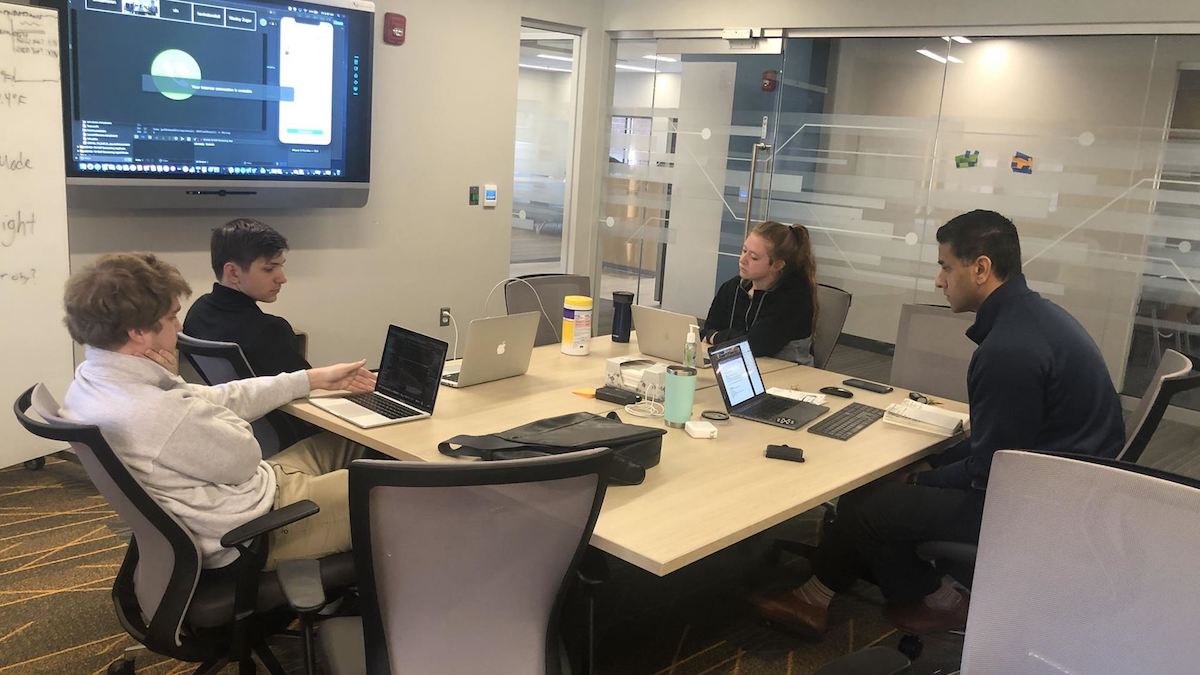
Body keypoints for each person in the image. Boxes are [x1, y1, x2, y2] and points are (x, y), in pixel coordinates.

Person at [750, 209, 1125, 636]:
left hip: (1036, 503)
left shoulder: (1009, 351)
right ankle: (815, 596)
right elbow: (1000, 438)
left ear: (981, 268)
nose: (939, 280)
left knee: (865, 506)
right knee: (890, 486)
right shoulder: (1034, 318)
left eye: (947, 266)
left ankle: (937, 599)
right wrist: (928, 469)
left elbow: (992, 467)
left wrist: (920, 481)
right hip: (1073, 485)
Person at [61, 252, 378, 570]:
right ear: (138, 332)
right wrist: (175, 384)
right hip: (258, 528)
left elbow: (215, 398)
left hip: (244, 495)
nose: (179, 325)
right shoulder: (159, 411)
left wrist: (310, 379)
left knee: (356, 442)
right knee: (406, 494)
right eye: (172, 317)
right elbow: (245, 455)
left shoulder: (92, 381)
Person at [184, 218, 308, 377]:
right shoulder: (270, 330)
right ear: (233, 273)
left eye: (280, 266)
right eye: (269, 269)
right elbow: (309, 388)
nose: (282, 278)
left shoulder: (198, 312)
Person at [701, 221, 817, 364]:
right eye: (744, 251)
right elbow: (706, 331)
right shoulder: (733, 287)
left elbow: (754, 346)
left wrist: (716, 337)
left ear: (777, 265)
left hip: (787, 374)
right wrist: (717, 336)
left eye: (754, 257)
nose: (742, 260)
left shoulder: (794, 297)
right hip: (740, 367)